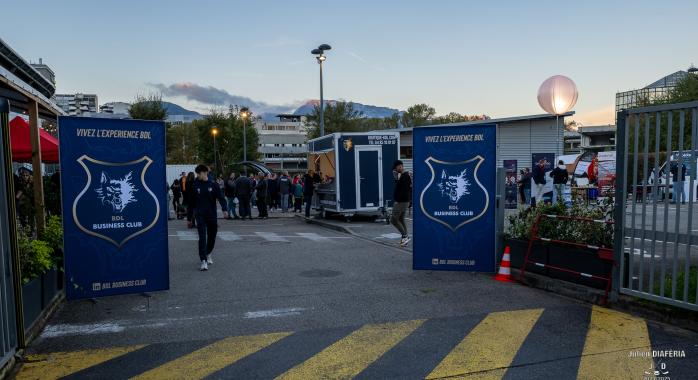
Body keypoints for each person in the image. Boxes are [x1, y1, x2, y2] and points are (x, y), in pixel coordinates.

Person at [187, 164, 228, 271]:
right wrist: (189, 218)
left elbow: (221, 198)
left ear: (204, 172)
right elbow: (191, 203)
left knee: (212, 237)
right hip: (200, 216)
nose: (197, 175)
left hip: (212, 216)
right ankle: (203, 260)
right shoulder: (194, 185)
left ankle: (208, 252)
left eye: (198, 173)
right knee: (202, 238)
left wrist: (224, 209)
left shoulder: (213, 185)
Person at [391, 160, 412, 247]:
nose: (398, 169)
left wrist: (397, 200)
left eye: (399, 166)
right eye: (397, 167)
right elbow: (402, 188)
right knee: (401, 219)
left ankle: (404, 236)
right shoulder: (402, 176)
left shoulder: (405, 176)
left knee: (394, 220)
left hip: (401, 201)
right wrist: (396, 179)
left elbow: (404, 190)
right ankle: (405, 239)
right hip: (405, 201)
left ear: (401, 166)